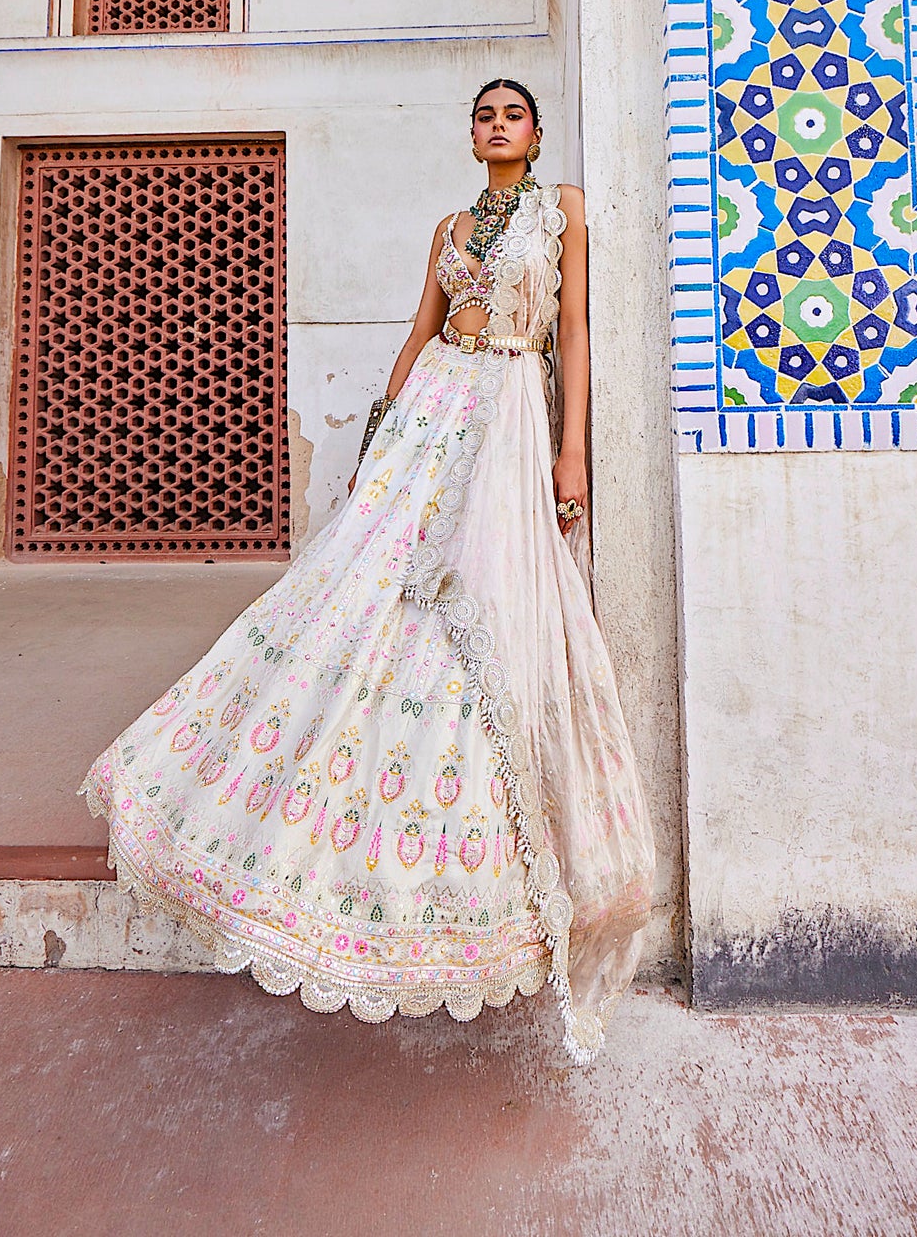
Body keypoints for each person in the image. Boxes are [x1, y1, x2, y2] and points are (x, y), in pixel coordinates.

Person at [80, 79, 655, 1062]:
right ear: (470, 133)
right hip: (433, 404)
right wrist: (380, 431)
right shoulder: (450, 221)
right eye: (482, 115)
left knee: (474, 596)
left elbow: (578, 333)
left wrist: (572, 452)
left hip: (508, 407)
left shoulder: (564, 212)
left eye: (511, 115)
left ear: (536, 131)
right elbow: (420, 329)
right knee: (359, 585)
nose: (496, 127)